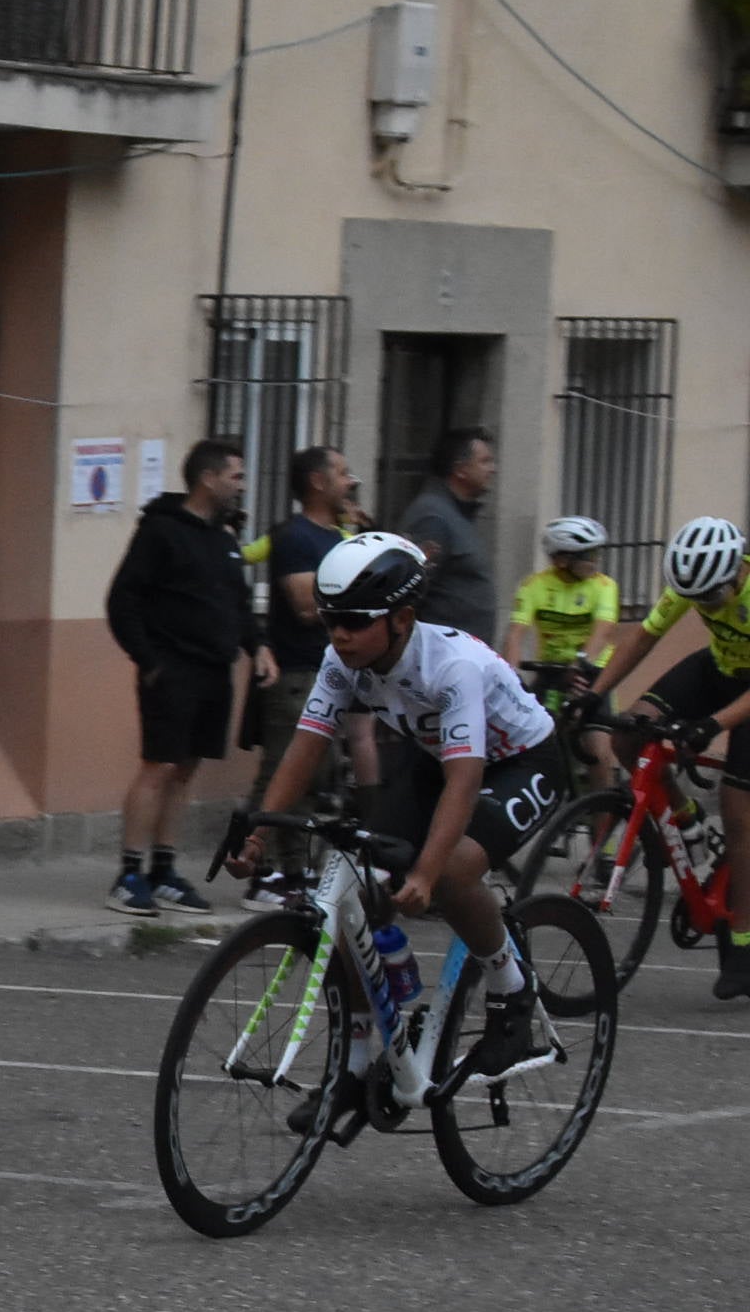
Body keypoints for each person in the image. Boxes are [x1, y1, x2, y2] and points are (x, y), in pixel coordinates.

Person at [232, 532, 563, 1131]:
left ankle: (511, 990)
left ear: (403, 619)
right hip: (436, 761)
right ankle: (356, 1071)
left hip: (522, 762)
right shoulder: (344, 659)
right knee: (355, 889)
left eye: (356, 622)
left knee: (454, 868)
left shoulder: (452, 667)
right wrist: (256, 826)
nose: (339, 634)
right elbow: (307, 744)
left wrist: (429, 870)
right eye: (333, 620)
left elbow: (465, 784)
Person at [105, 437, 277, 915]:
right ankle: (128, 874)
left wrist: (257, 647)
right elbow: (123, 600)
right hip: (171, 669)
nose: (241, 486)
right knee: (158, 767)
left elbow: (238, 606)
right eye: (236, 476)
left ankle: (164, 870)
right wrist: (149, 660)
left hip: (213, 671)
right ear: (208, 478)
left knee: (186, 771)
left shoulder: (223, 541)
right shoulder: (161, 531)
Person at [580, 515, 750, 999]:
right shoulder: (695, 582)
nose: (703, 606)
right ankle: (685, 812)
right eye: (694, 598)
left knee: (740, 816)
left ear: (736, 571)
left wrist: (713, 725)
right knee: (629, 734)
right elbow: (643, 638)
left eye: (710, 598)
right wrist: (596, 692)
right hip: (718, 669)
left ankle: (743, 940)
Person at [241, 446, 379, 907]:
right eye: (341, 473)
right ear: (317, 482)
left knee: (315, 777)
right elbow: (305, 604)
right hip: (297, 674)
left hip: (327, 673)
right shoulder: (296, 536)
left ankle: (293, 872)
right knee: (284, 773)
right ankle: (264, 872)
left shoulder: (336, 536)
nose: (350, 481)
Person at [501, 515, 623, 791]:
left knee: (598, 752)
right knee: (531, 744)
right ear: (562, 559)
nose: (595, 560)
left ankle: (604, 831)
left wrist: (581, 665)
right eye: (587, 555)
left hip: (591, 673)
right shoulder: (533, 585)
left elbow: (602, 632)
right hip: (551, 672)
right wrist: (508, 677)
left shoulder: (605, 586)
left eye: (597, 553)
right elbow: (515, 634)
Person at [397, 426, 500, 643]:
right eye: (485, 461)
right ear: (460, 469)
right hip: (439, 658)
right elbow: (409, 591)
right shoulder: (433, 518)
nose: (493, 469)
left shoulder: (455, 514)